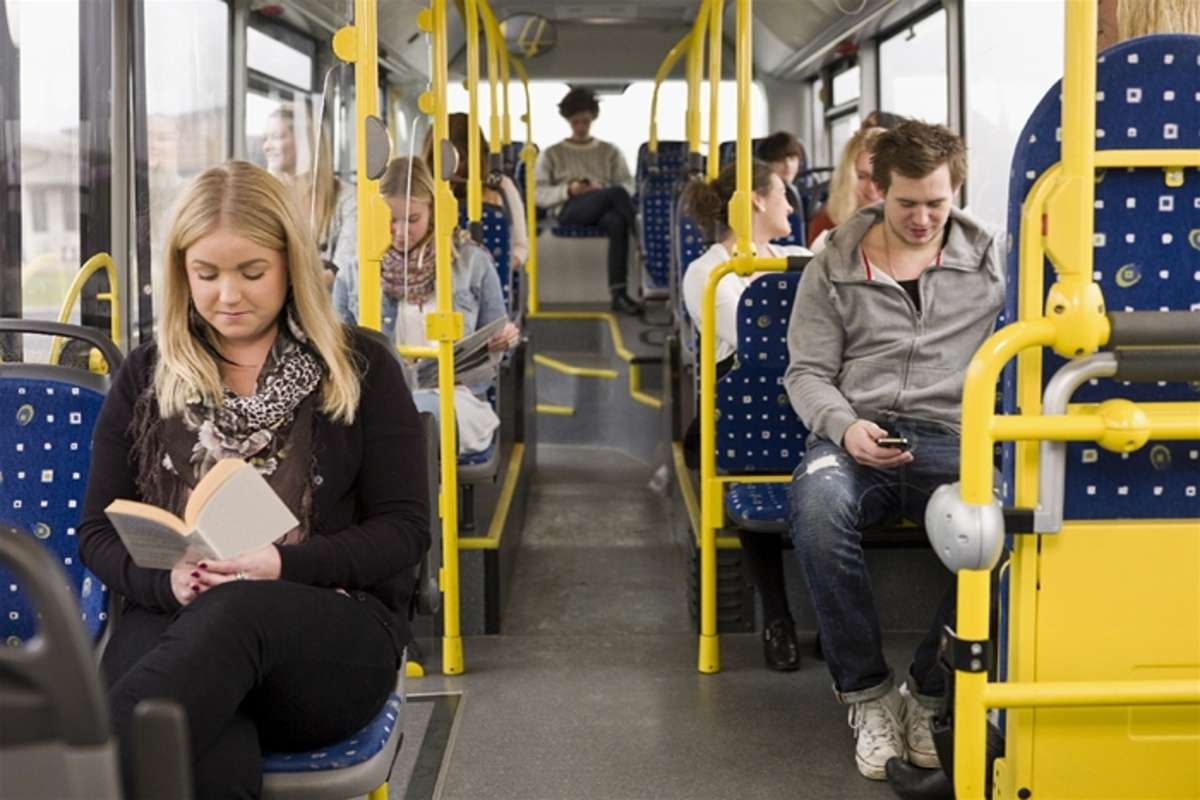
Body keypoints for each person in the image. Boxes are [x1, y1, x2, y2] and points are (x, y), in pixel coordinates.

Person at [78, 161, 429, 799]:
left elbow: (403, 534)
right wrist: (167, 579)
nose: (228, 296)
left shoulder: (361, 368)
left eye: (252, 273)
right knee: (202, 744)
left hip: (328, 634)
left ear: (291, 265)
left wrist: (279, 565)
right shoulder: (147, 374)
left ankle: (60, 778)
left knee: (229, 618)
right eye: (206, 275)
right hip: (176, 617)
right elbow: (97, 531)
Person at [783, 120, 1004, 781]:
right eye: (907, 203)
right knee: (818, 508)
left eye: (937, 203)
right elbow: (806, 372)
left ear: (956, 190)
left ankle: (930, 686)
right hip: (855, 432)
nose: (922, 218)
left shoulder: (991, 258)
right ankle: (868, 694)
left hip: (953, 439)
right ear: (879, 191)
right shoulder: (834, 263)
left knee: (1011, 522)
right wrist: (845, 427)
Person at [681, 160, 811, 671]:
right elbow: (750, 339)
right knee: (757, 450)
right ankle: (778, 618)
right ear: (756, 199)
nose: (790, 205)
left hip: (807, 396)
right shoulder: (708, 272)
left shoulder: (798, 257)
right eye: (782, 194)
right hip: (748, 410)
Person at [332, 156, 520, 455]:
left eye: (412, 219)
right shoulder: (355, 272)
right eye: (391, 220)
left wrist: (504, 340)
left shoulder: (473, 263)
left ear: (433, 212)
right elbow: (336, 352)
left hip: (455, 396)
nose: (401, 231)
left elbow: (498, 338)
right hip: (380, 397)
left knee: (414, 418)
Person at [534, 87, 640, 315]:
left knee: (616, 221)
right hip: (569, 209)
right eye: (576, 122)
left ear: (592, 119)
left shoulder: (610, 152)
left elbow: (628, 185)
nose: (581, 127)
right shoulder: (552, 153)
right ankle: (642, 242)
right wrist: (570, 190)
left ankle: (618, 295)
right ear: (568, 121)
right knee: (616, 195)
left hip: (603, 208)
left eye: (585, 121)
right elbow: (538, 194)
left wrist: (599, 190)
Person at [263, 103, 356, 289]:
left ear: (304, 142)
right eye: (265, 139)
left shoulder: (346, 198)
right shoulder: (264, 197)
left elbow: (344, 269)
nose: (266, 147)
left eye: (276, 137)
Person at [423, 112, 528, 270]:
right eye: (442, 159)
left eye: (461, 159)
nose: (452, 167)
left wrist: (498, 270)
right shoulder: (420, 188)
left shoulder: (501, 188)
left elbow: (520, 246)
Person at [806, 126, 885, 250]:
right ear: (847, 178)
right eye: (861, 177)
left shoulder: (915, 224)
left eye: (881, 177)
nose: (872, 188)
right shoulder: (825, 222)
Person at [755, 130, 806, 214]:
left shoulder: (807, 198)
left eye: (792, 158)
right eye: (779, 160)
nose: (788, 165)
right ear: (766, 163)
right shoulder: (761, 199)